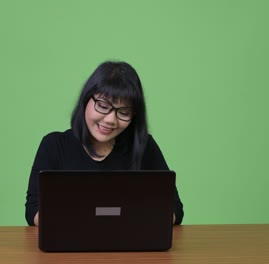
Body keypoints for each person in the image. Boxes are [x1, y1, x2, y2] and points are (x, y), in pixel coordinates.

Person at [25, 61, 184, 226]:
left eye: (123, 112)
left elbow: (174, 208)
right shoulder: (54, 145)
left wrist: (139, 221)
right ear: (86, 99)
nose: (110, 120)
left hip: (129, 246)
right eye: (103, 106)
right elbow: (33, 209)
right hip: (70, 246)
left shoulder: (144, 146)